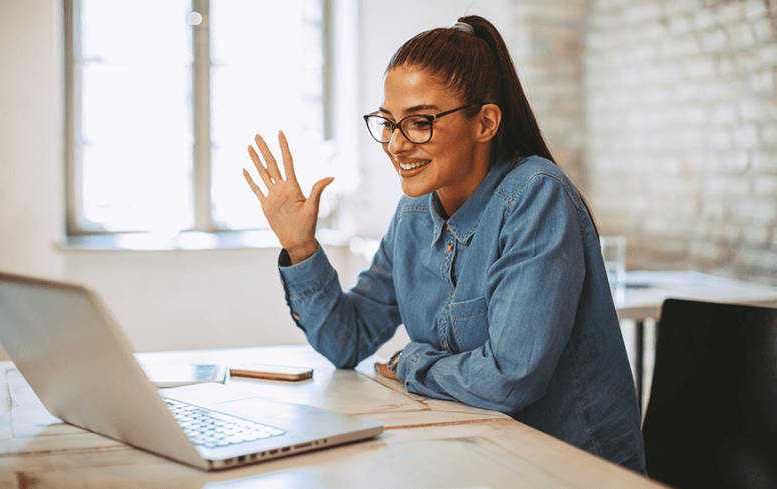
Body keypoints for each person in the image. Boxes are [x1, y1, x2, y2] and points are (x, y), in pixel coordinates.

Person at [242, 15, 646, 474]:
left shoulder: (535, 195)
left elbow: (510, 379)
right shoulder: (413, 214)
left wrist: (414, 361)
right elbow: (347, 340)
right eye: (388, 123)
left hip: (566, 471)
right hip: (473, 458)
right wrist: (300, 248)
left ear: (485, 123)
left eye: (419, 122)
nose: (395, 145)